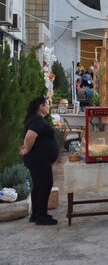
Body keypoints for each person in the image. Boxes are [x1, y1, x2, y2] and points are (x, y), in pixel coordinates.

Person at [19, 97, 59, 226]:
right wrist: (26, 149)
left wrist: (27, 149)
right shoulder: (37, 119)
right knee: (46, 184)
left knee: (38, 185)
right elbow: (30, 136)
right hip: (39, 159)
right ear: (40, 106)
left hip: (37, 159)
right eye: (46, 104)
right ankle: (42, 216)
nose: (48, 107)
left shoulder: (35, 119)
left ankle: (36, 214)